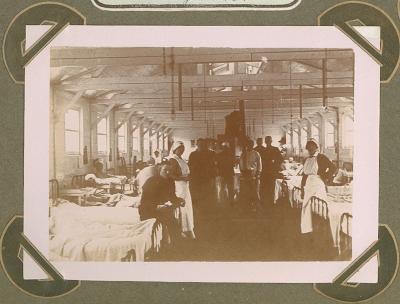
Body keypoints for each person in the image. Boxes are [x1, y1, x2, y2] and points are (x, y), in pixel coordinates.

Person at [139, 163, 185, 242]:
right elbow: (144, 201)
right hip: (148, 209)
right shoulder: (151, 181)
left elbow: (172, 197)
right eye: (165, 170)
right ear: (159, 170)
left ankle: (177, 246)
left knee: (173, 224)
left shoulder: (170, 181)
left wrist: (180, 200)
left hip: (162, 209)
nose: (167, 172)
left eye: (170, 171)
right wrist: (156, 207)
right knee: (171, 222)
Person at [300, 138, 336, 234]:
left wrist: (325, 177)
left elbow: (333, 168)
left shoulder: (321, 157)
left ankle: (323, 228)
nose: (310, 150)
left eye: (312, 148)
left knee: (320, 207)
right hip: (308, 184)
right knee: (307, 206)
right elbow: (304, 176)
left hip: (318, 184)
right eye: (309, 149)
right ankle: (309, 228)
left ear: (316, 148)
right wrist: (302, 189)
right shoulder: (306, 160)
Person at [168, 141, 196, 239]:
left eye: (183, 149)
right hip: (179, 186)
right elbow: (171, 175)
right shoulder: (172, 160)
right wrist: (183, 178)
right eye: (180, 149)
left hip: (185, 186)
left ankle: (188, 228)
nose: (182, 150)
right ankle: (182, 229)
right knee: (182, 206)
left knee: (187, 206)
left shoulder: (181, 159)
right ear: (175, 149)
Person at [188, 138, 217, 206]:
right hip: (196, 178)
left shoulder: (211, 153)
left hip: (207, 178)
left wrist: (213, 177)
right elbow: (190, 166)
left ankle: (207, 208)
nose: (201, 146)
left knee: (208, 194)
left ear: (206, 145)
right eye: (200, 144)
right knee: (196, 194)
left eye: (203, 144)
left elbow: (214, 165)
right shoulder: (193, 154)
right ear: (197, 145)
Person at [239, 138, 262, 211]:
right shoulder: (244, 154)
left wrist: (258, 173)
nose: (250, 146)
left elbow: (259, 165)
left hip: (254, 175)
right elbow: (241, 164)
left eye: (251, 145)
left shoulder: (256, 153)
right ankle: (247, 206)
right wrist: (242, 172)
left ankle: (256, 206)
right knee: (246, 191)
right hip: (246, 174)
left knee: (255, 191)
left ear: (253, 145)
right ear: (247, 145)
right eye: (248, 145)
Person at [261, 136, 283, 207]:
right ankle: (265, 203)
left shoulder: (275, 149)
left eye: (269, 141)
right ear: (265, 142)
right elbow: (260, 161)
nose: (268, 142)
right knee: (265, 187)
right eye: (267, 141)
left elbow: (281, 159)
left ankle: (272, 202)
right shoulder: (263, 150)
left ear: (271, 141)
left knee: (272, 187)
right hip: (264, 172)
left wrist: (274, 161)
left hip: (273, 171)